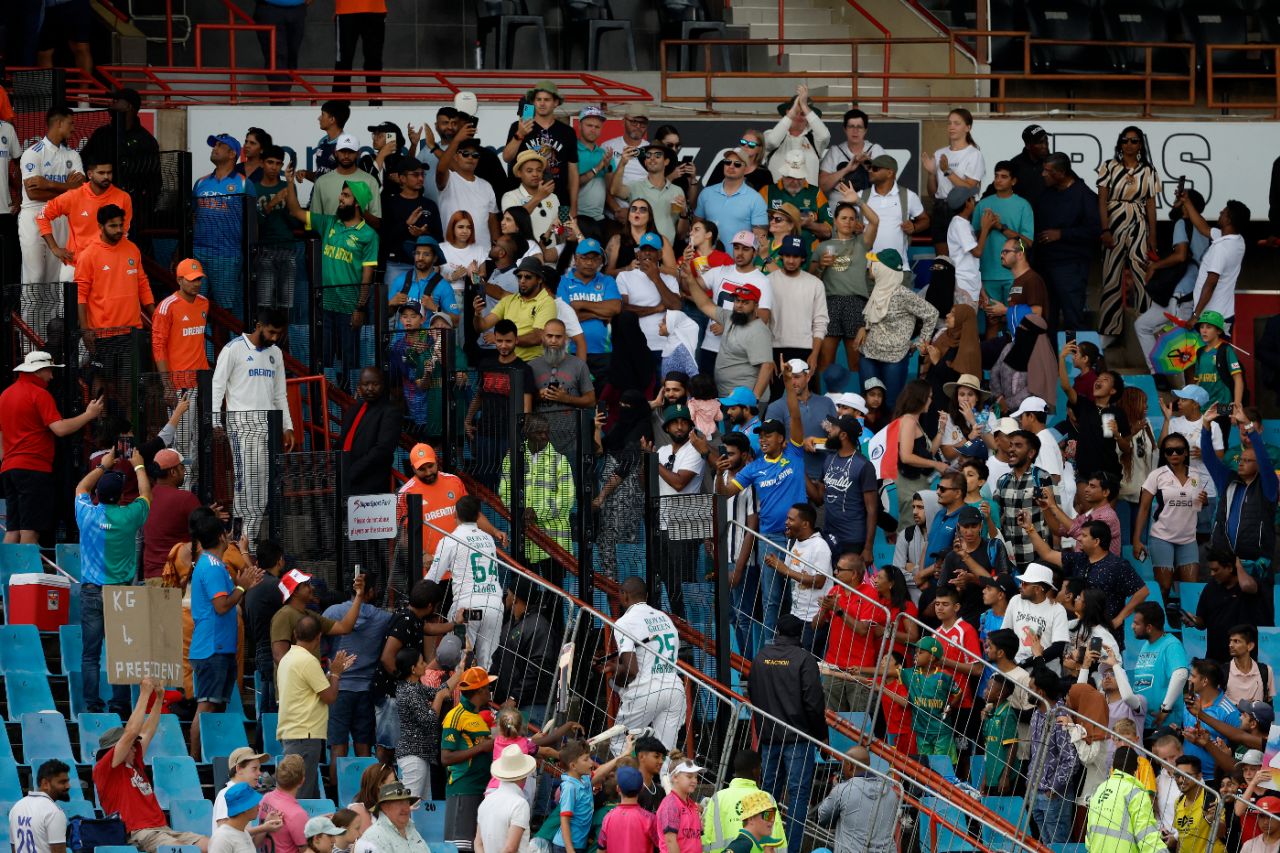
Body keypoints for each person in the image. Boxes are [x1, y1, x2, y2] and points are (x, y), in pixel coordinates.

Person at [75, 446, 153, 716]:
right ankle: (119, 707)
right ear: (121, 497)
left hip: (91, 592)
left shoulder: (86, 512)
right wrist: (139, 466)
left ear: (97, 495)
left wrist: (103, 466)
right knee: (121, 655)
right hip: (120, 594)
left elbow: (80, 487)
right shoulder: (129, 516)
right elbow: (146, 495)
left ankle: (92, 706)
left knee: (90, 655)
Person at [210, 308, 295, 551]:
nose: (275, 337)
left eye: (279, 333)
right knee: (245, 485)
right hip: (241, 426)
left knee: (263, 488)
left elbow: (280, 394)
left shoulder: (276, 354)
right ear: (258, 325)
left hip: (268, 426)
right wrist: (216, 421)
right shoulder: (233, 348)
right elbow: (218, 385)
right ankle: (238, 541)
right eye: (271, 332)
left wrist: (287, 426)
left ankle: (248, 541)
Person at [94, 679, 209, 853]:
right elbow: (132, 731)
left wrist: (158, 699)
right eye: (130, 744)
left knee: (213, 846)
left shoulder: (134, 762)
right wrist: (144, 694)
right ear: (115, 749)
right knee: (181, 851)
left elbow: (147, 731)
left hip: (163, 829)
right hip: (138, 832)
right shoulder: (105, 768)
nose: (135, 747)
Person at [1, 351, 103, 544]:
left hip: (9, 468)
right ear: (39, 370)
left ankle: (6, 573)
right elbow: (60, 429)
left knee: (13, 530)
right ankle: (26, 574)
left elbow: (1, 433)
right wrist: (89, 415)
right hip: (33, 468)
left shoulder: (5, 395)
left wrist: (5, 459)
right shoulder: (40, 394)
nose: (52, 376)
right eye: (49, 370)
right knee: (30, 530)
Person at [187, 510, 262, 760]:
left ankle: (208, 756)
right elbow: (221, 606)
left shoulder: (213, 565)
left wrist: (242, 583)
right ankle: (196, 760)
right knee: (207, 706)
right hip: (212, 647)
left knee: (216, 706)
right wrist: (242, 586)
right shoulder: (211, 567)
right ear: (221, 536)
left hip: (220, 647)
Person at [748, 613, 825, 853]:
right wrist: (821, 735)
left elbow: (753, 692)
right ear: (799, 634)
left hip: (770, 737)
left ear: (777, 632)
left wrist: (764, 725)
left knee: (769, 793)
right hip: (798, 738)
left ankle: (765, 846)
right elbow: (814, 702)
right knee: (798, 795)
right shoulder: (804, 659)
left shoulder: (761, 657)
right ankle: (791, 849)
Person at [322, 575, 393, 790]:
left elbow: (322, 648)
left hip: (338, 688)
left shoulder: (332, 612)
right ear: (369, 592)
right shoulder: (383, 618)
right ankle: (368, 793)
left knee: (338, 746)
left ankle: (336, 794)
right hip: (366, 690)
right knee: (364, 746)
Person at [602, 576, 684, 755]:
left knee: (620, 742)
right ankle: (663, 782)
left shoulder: (624, 622)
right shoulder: (664, 617)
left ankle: (634, 783)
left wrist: (615, 672)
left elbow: (632, 671)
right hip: (674, 687)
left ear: (623, 595)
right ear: (646, 596)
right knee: (666, 752)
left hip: (647, 689)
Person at [277, 615, 356, 798]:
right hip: (305, 734)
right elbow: (329, 697)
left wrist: (333, 673)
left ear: (295, 633)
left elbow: (313, 686)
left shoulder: (289, 657)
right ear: (319, 637)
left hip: (295, 732)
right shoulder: (308, 660)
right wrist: (335, 675)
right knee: (301, 794)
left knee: (305, 792)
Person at [1096, 127, 1160, 344]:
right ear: (1120, 143)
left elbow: (1151, 205)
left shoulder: (1149, 170)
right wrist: (1105, 229)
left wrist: (1153, 236)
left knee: (1142, 274)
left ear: (1140, 144)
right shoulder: (1109, 166)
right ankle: (1109, 330)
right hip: (1114, 221)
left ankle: (1146, 323)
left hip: (1139, 222)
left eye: (1134, 141)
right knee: (1111, 276)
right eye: (1126, 140)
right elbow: (1102, 200)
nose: (1130, 144)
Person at [74, 203, 155, 373]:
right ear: (100, 227)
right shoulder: (88, 255)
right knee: (103, 382)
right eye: (113, 226)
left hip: (133, 329)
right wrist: (85, 330)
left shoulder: (132, 249)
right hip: (103, 332)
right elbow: (80, 295)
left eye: (121, 225)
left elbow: (143, 284)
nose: (119, 230)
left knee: (131, 384)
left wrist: (154, 315)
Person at [498, 414, 575, 589]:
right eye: (539, 432)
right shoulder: (513, 458)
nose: (544, 437)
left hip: (553, 539)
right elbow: (504, 491)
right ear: (526, 433)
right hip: (524, 537)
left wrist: (537, 512)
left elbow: (567, 498)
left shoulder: (559, 460)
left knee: (554, 593)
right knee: (524, 591)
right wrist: (520, 511)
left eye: (547, 432)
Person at [681, 230, 771, 378]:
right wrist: (685, 268)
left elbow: (763, 318)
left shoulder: (762, 280)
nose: (740, 253)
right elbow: (689, 288)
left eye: (745, 249)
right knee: (706, 397)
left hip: (739, 351)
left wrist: (730, 326)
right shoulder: (719, 271)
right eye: (736, 248)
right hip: (710, 345)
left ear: (755, 253)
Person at [427, 494, 504, 668]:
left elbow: (433, 577)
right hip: (494, 607)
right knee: (487, 661)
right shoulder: (488, 539)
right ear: (478, 516)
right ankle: (485, 693)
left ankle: (458, 693)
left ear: (455, 514)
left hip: (468, 611)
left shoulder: (449, 540)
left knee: (460, 657)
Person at [858, 249, 939, 409]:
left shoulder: (903, 294)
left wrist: (920, 343)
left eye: (874, 263)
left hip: (894, 358)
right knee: (868, 405)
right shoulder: (878, 288)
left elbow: (931, 313)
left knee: (891, 405)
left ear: (883, 269)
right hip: (868, 354)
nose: (870, 266)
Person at [19, 106, 84, 303]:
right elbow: (33, 192)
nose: (74, 128)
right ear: (59, 123)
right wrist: (66, 187)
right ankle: (28, 332)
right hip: (34, 215)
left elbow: (80, 189)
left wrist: (48, 183)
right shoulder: (32, 153)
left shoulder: (72, 155)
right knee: (35, 277)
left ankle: (50, 332)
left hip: (62, 217)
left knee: (56, 277)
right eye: (71, 123)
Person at [1203, 406, 1277, 576]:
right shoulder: (1228, 481)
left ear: (1259, 466)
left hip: (1256, 563)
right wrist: (1206, 425)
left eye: (1248, 460)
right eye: (1241, 459)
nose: (1241, 463)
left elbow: (1264, 461)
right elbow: (1208, 458)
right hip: (1226, 560)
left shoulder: (1268, 487)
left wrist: (1248, 426)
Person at [36, 152, 133, 281]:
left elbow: (123, 234)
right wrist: (54, 248)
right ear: (90, 174)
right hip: (74, 266)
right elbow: (42, 216)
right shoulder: (74, 196)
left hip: (108, 267)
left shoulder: (123, 198)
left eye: (109, 173)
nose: (106, 177)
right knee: (70, 301)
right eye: (101, 173)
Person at [1132, 433, 1204, 601]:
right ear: (1164, 454)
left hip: (1188, 539)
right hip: (1162, 537)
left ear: (1186, 452)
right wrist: (1136, 540)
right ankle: (1160, 624)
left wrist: (1203, 501)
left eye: (1178, 450)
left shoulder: (1195, 474)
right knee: (1164, 587)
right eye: (1169, 451)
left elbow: (1196, 505)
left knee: (1190, 587)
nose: (1174, 454)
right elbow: (1143, 508)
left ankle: (1188, 625)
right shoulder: (1157, 475)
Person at [1035, 152, 1101, 331]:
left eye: (1047, 171)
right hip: (1045, 265)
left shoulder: (1084, 195)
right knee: (1047, 319)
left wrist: (1062, 234)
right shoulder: (1047, 194)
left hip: (1070, 267)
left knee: (1072, 318)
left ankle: (1074, 357)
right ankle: (1050, 358)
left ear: (1061, 173)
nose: (1043, 174)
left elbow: (1095, 230)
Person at [192, 133, 255, 318]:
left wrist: (251, 255)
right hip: (198, 253)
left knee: (226, 312)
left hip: (227, 255)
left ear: (231, 154)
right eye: (214, 145)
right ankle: (204, 348)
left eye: (219, 145)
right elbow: (193, 216)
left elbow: (252, 223)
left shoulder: (244, 183)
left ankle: (228, 348)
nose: (214, 148)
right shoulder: (201, 182)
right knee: (196, 308)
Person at [685, 278, 774, 403]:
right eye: (737, 300)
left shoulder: (759, 331)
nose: (739, 305)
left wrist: (754, 399)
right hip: (728, 396)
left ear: (756, 306)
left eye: (745, 302)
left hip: (745, 400)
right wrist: (690, 279)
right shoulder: (730, 317)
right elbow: (704, 304)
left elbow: (767, 366)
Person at [441, 667, 498, 853]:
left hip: (480, 789)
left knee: (476, 847)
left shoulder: (477, 716)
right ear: (480, 690)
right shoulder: (455, 716)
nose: (490, 690)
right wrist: (481, 747)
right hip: (463, 789)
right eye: (488, 686)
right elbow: (446, 757)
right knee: (461, 849)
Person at [764, 503, 833, 650]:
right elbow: (790, 570)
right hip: (796, 614)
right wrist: (776, 564)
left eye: (791, 519)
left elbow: (820, 581)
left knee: (806, 663)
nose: (786, 522)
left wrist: (785, 570)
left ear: (805, 524)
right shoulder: (794, 542)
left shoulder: (819, 546)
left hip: (813, 617)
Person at [493, 575, 559, 725]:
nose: (506, 597)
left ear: (515, 598)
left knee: (526, 748)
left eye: (508, 594)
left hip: (531, 706)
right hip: (514, 705)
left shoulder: (539, 626)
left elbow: (537, 667)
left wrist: (514, 698)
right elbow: (499, 657)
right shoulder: (511, 623)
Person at [504, 81, 579, 210]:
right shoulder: (518, 127)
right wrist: (520, 134)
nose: (542, 103)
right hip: (525, 201)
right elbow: (507, 157)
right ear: (533, 102)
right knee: (525, 229)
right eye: (538, 99)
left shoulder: (568, 132)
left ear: (556, 103)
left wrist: (573, 208)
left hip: (561, 200)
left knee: (563, 230)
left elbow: (573, 172)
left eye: (547, 100)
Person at [813, 414, 877, 562]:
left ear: (843, 435)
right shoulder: (829, 459)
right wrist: (799, 469)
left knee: (848, 583)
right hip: (829, 536)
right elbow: (819, 498)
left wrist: (868, 548)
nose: (829, 431)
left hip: (852, 540)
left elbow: (872, 510)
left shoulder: (864, 466)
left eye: (833, 428)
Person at [972, 162, 1035, 309]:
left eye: (1004, 177)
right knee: (992, 321)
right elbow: (973, 240)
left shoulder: (1023, 205)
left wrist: (1000, 227)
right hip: (987, 273)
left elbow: (1027, 244)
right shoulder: (983, 204)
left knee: (1014, 320)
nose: (998, 180)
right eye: (996, 176)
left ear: (1013, 181)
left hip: (1014, 275)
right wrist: (986, 227)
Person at [1182, 192, 1248, 331]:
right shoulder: (1238, 241)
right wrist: (1187, 202)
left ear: (1229, 220)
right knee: (1219, 353)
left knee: (1206, 353)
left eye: (1224, 212)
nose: (1220, 212)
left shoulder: (1221, 248)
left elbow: (1210, 283)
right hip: (1225, 314)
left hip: (1210, 318)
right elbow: (1203, 227)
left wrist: (1195, 316)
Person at [814, 745, 898, 853]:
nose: (842, 769)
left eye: (843, 764)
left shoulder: (843, 790)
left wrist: (835, 789)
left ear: (850, 766)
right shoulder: (891, 793)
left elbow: (822, 817)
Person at [1085, 746, 1165, 853]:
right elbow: (1146, 833)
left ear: (1113, 767)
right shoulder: (1136, 793)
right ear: (1136, 768)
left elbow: (1089, 834)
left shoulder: (1100, 790)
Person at [702, 751, 785, 853]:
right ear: (755, 771)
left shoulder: (718, 797)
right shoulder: (765, 798)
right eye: (760, 768)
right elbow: (777, 836)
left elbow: (707, 835)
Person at [437, 128, 500, 253]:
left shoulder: (486, 185)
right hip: (453, 254)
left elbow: (492, 221)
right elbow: (440, 170)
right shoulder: (449, 179)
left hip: (483, 254)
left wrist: (497, 247)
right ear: (455, 156)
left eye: (475, 155)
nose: (470, 157)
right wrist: (456, 141)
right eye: (465, 154)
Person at [694, 147, 768, 254]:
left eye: (737, 164)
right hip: (707, 263)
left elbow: (760, 239)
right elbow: (696, 228)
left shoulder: (756, 199)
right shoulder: (706, 193)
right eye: (728, 162)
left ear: (746, 169)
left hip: (738, 265)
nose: (731, 166)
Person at [1001, 563, 1070, 670]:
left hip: (1045, 672)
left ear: (1038, 589)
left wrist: (1026, 662)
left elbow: (1058, 647)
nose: (1020, 586)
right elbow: (1006, 633)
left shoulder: (1057, 610)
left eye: (1024, 584)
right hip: (1016, 667)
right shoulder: (1016, 600)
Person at [763, 86, 829, 185]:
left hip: (808, 199)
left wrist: (804, 106)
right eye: (795, 112)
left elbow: (825, 136)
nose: (798, 116)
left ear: (808, 116)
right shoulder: (769, 134)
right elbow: (772, 141)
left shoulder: (814, 140)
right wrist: (792, 111)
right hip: (778, 198)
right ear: (787, 112)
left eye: (803, 113)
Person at [477, 745, 536, 853]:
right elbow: (510, 849)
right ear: (524, 775)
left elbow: (478, 843)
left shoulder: (486, 801)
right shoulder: (520, 804)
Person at [9, 758, 71, 853]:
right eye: (62, 782)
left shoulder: (17, 807)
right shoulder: (53, 812)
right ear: (45, 784)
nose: (68, 786)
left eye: (67, 781)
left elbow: (14, 849)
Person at [818, 109, 884, 196]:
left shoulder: (875, 149)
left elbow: (886, 183)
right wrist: (846, 169)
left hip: (868, 204)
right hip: (839, 205)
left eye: (859, 127)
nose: (855, 131)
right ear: (845, 129)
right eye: (851, 126)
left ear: (865, 130)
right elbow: (822, 186)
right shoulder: (835, 151)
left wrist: (867, 164)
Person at [355, 782, 430, 853]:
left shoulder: (410, 828)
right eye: (400, 803)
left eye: (407, 803)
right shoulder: (373, 838)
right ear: (384, 806)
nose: (406, 809)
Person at [212, 782, 271, 853]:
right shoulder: (222, 838)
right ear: (245, 808)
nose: (259, 806)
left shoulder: (244, 833)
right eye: (255, 803)